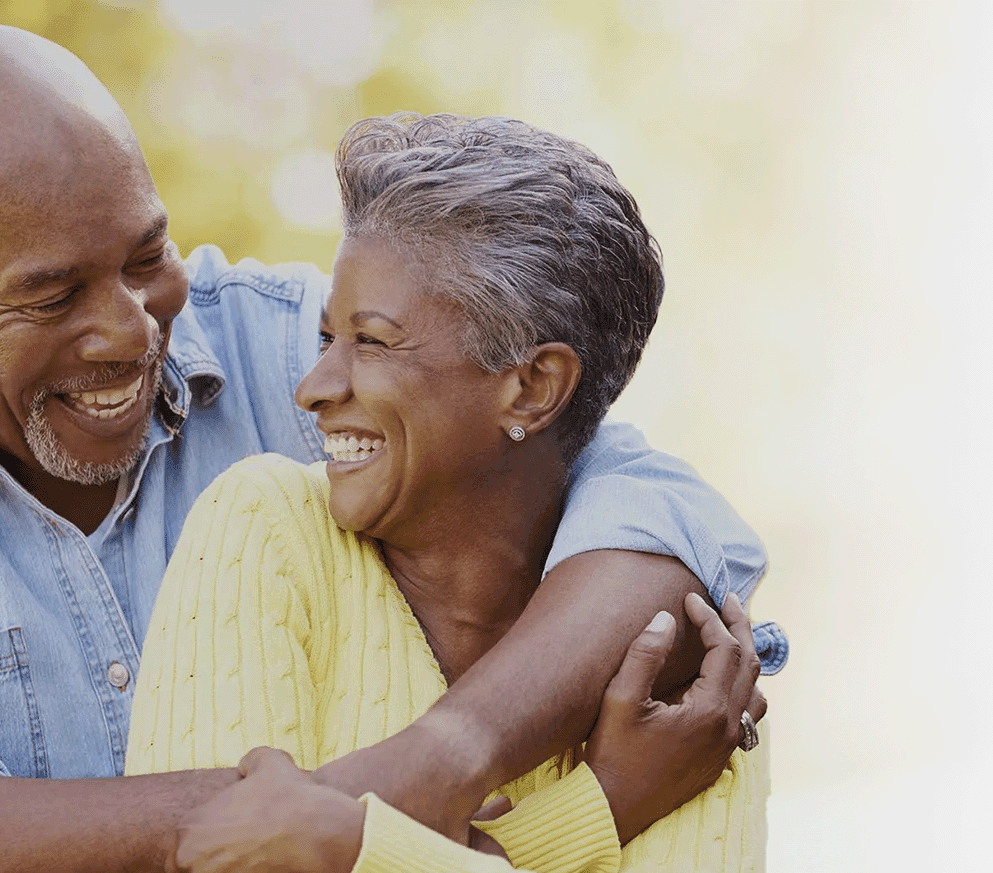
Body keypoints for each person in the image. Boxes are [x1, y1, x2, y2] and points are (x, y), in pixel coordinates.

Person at [0, 24, 786, 873]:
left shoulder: (288, 344)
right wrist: (321, 824)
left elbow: (643, 499)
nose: (128, 332)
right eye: (51, 295)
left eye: (144, 257)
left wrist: (444, 757)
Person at [126, 114, 772, 872]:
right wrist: (594, 812)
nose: (313, 387)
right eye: (327, 337)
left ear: (532, 388)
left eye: (370, 340)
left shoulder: (685, 672)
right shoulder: (265, 529)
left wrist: (349, 846)